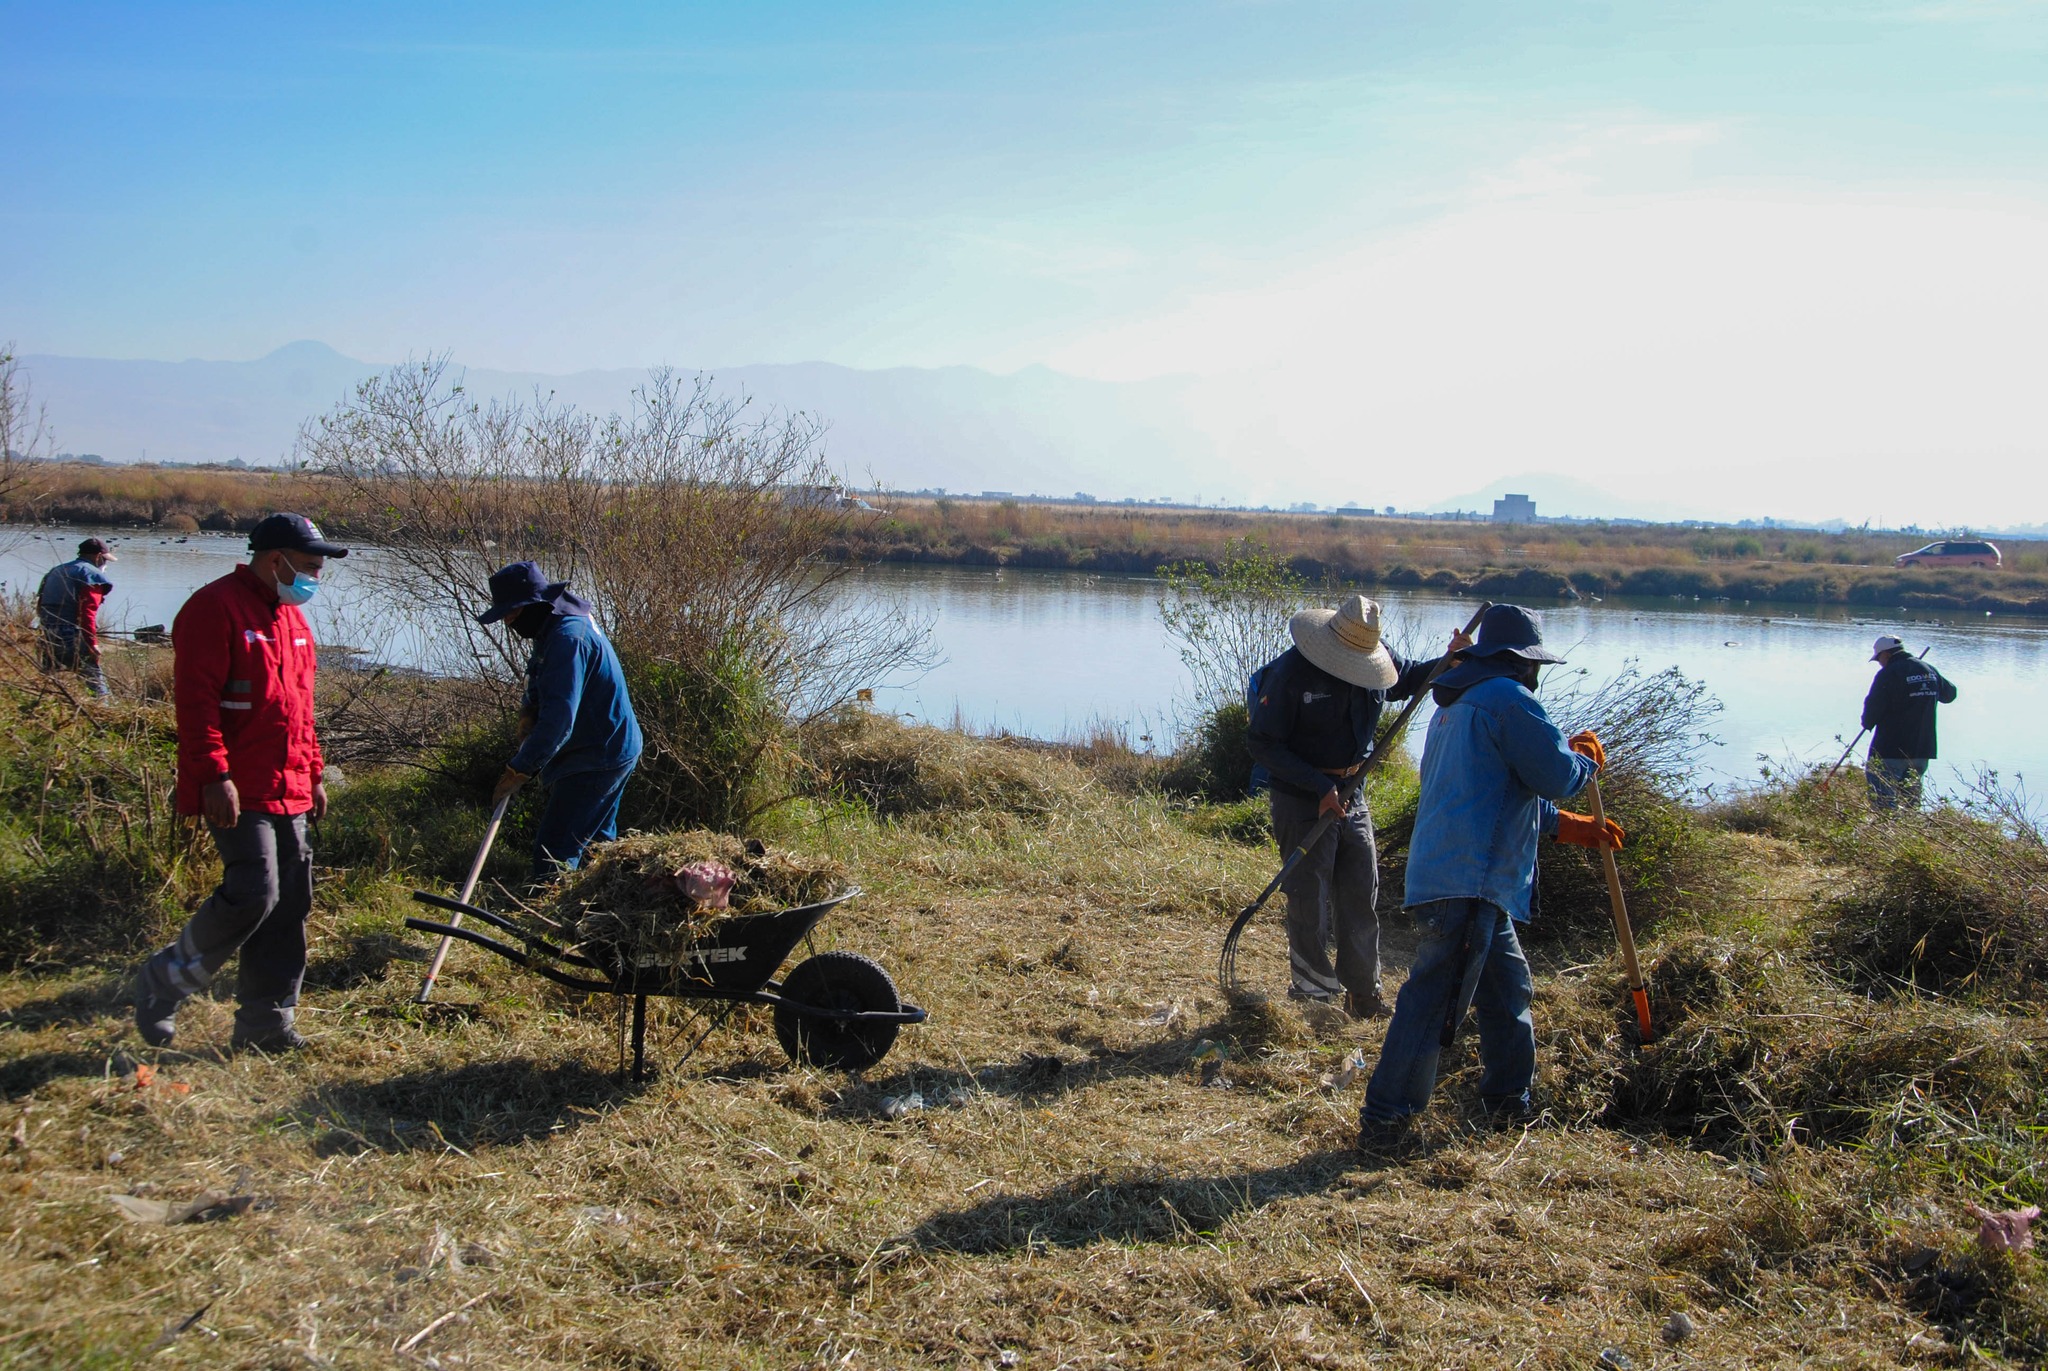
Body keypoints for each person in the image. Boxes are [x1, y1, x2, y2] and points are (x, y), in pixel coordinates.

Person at [1357, 604, 1622, 1152]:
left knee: (1507, 994)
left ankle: (1508, 1104)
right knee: (1434, 999)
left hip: (1462, 877)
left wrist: (1567, 828)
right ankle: (1386, 1121)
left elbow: (1496, 794)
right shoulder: (1509, 699)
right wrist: (1585, 762)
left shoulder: (1456, 706)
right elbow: (1554, 775)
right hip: (1470, 882)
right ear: (1524, 663)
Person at [133, 513, 348, 1052]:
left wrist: (315, 773)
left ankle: (266, 1025)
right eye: (307, 568)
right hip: (237, 785)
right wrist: (213, 775)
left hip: (291, 784)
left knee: (291, 902)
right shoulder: (214, 608)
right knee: (255, 892)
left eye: (319, 570)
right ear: (274, 560)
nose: (314, 579)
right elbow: (196, 703)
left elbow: (300, 711)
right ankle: (164, 981)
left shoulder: (294, 622)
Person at [1246, 594, 1472, 1018]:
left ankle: (1363, 994)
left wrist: (1448, 659)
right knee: (1308, 897)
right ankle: (1313, 995)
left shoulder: (1375, 657)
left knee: (1359, 891)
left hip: (1353, 792)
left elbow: (1404, 682)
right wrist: (1317, 786)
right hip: (1302, 797)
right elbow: (1262, 742)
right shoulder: (1291, 672)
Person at [477, 561, 642, 878]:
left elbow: (558, 723)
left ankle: (550, 920)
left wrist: (519, 768)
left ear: (532, 604)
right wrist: (529, 709)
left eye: (511, 613)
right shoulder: (552, 624)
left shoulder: (569, 639)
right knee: (597, 849)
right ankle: (596, 916)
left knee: (554, 852)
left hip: (598, 754)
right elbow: (541, 675)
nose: (508, 622)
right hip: (609, 746)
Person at [1861, 634, 1956, 812]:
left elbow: (1872, 709)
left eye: (1879, 659)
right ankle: (1908, 835)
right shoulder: (1929, 670)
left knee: (1883, 799)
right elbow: (1949, 695)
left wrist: (1866, 723)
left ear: (1887, 655)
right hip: (1921, 749)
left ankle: (1885, 835)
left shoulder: (1888, 674)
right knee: (1910, 802)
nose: (1879, 663)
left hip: (1890, 749)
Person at [35, 536, 116, 698]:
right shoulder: (91, 575)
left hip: (48, 634)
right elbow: (88, 612)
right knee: (96, 684)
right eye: (105, 560)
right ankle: (104, 715)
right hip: (71, 635)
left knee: (47, 685)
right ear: (98, 556)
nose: (105, 565)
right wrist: (92, 643)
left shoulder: (56, 570)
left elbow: (40, 606)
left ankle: (42, 712)